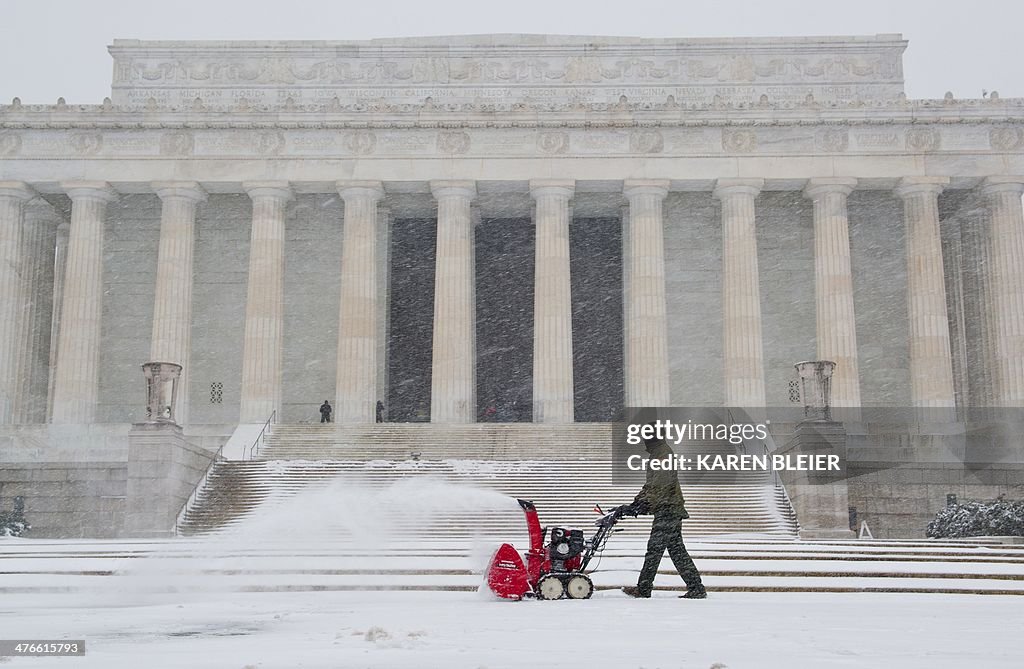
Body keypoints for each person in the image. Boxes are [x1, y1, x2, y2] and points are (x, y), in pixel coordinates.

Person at [620, 427, 706, 599]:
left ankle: (644, 588)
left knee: (654, 550)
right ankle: (696, 587)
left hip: (668, 509)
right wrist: (636, 502)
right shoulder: (658, 453)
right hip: (668, 508)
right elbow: (651, 485)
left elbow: (661, 484)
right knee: (677, 551)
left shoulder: (662, 453)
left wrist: (645, 503)